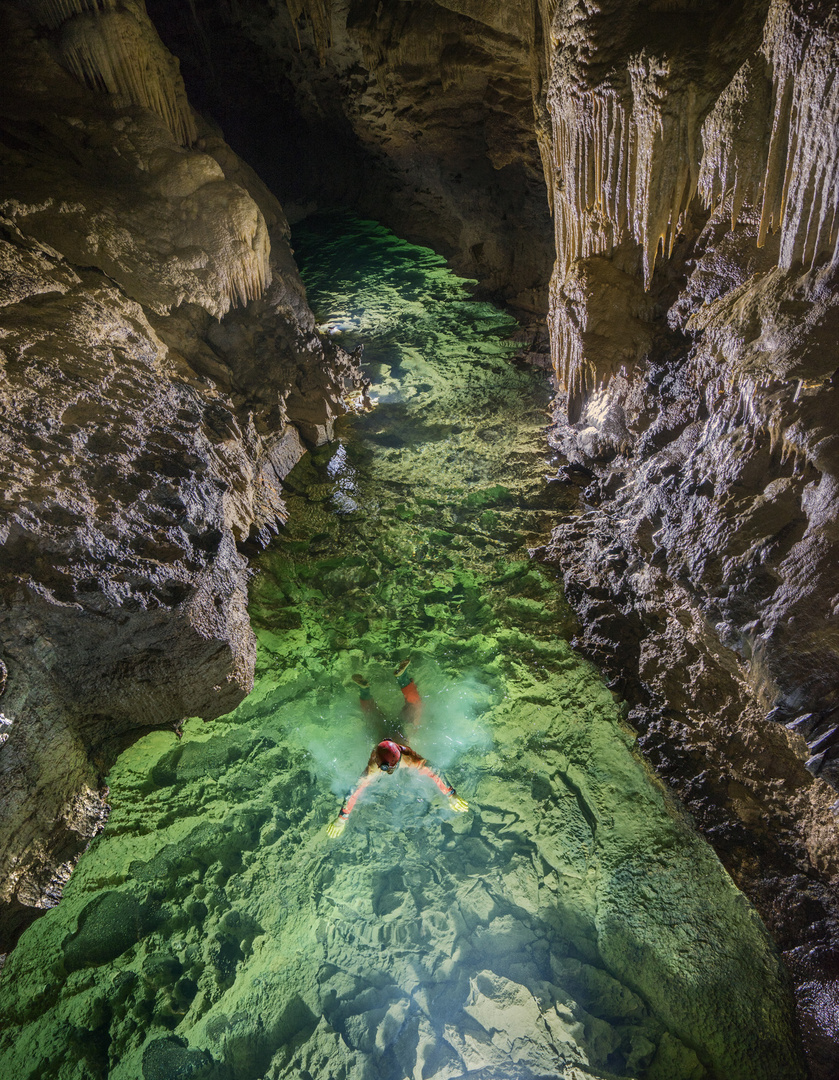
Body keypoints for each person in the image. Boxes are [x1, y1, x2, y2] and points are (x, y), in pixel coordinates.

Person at [326, 659, 469, 837]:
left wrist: (342, 818)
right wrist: (451, 794)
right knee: (407, 707)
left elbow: (354, 790)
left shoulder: (380, 765)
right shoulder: (408, 759)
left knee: (374, 715)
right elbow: (434, 771)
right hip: (400, 732)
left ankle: (366, 688)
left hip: (394, 733)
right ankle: (395, 681)